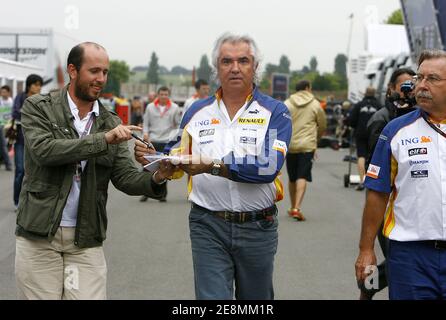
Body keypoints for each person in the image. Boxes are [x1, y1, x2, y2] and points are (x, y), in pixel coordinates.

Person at [135, 32, 292, 299]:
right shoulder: (196, 110)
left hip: (258, 226)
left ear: (255, 67)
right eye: (226, 61)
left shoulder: (276, 112)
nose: (234, 68)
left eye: (243, 60)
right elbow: (176, 150)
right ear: (216, 69)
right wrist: (154, 158)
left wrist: (213, 165)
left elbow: (267, 167)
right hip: (207, 223)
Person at [15, 42, 173, 300]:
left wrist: (156, 173)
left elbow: (125, 177)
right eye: (94, 71)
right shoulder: (39, 107)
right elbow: (44, 151)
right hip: (39, 235)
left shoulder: (110, 121)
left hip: (85, 237)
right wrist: (104, 140)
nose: (101, 79)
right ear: (73, 70)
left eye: (105, 72)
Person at [355, 49, 446, 300]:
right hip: (411, 256)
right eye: (420, 78)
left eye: (433, 79)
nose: (422, 86)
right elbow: (377, 194)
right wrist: (366, 249)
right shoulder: (395, 130)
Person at [356, 67, 416, 300]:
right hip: (387, 205)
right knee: (397, 262)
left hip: (414, 208)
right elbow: (376, 169)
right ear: (391, 88)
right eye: (404, 86)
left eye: (413, 85)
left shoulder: (423, 116)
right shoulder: (382, 120)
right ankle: (366, 290)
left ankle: (366, 288)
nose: (409, 91)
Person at [284, 80, 326, 221]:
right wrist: (316, 139)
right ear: (307, 88)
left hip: (290, 145)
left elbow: (281, 123)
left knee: (292, 177)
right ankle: (297, 207)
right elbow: (322, 125)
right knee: (302, 175)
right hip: (307, 145)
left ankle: (291, 206)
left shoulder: (287, 103)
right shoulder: (315, 104)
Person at [140, 86, 181, 202]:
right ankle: (145, 193)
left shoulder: (175, 108)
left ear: (169, 95)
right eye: (161, 94)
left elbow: (178, 125)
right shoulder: (150, 107)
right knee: (147, 168)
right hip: (152, 141)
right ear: (158, 95)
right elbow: (146, 123)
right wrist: (145, 134)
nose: (163, 96)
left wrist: (174, 138)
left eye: (166, 94)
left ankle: (162, 195)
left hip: (166, 142)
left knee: (164, 169)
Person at [11, 74, 43, 207]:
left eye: (40, 85)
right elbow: (15, 113)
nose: (38, 87)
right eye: (36, 84)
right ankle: (17, 201)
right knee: (20, 171)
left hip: (36, 142)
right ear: (29, 85)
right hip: (20, 140)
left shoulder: (41, 100)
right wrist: (31, 115)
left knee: (35, 173)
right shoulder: (20, 97)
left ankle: (29, 202)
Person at [348, 87, 381, 191]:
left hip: (361, 133)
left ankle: (362, 181)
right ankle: (373, 181)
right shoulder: (378, 105)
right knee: (374, 157)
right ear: (374, 93)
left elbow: (351, 120)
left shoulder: (358, 105)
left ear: (365, 93)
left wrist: (355, 127)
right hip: (374, 134)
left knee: (361, 156)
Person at [0, 85, 13, 171]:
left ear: (8, 92)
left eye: (4, 92)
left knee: (5, 145)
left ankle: (7, 163)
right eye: (1, 92)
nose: (2, 93)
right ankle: (8, 164)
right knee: (3, 144)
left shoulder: (11, 101)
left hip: (8, 125)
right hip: (0, 124)